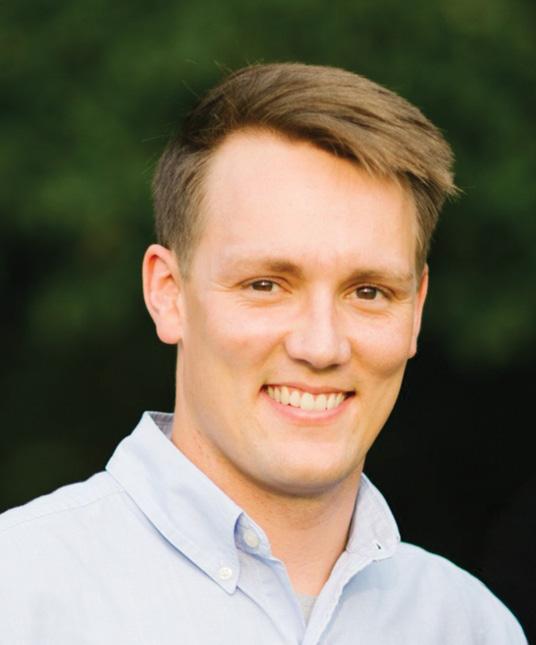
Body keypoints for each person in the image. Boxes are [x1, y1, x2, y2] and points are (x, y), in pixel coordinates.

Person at [0, 63, 527, 644]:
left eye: (369, 292)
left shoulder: (470, 627)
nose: (321, 346)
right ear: (168, 294)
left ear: (416, 310)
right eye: (266, 285)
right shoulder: (19, 595)